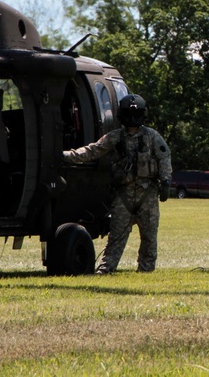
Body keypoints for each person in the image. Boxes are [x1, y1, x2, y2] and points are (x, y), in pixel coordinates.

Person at [62, 94, 172, 274]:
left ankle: (146, 270)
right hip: (124, 194)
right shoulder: (115, 137)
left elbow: (164, 157)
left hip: (147, 194)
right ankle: (106, 269)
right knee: (116, 238)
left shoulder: (152, 136)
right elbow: (93, 151)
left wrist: (166, 180)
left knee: (149, 238)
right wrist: (68, 156)